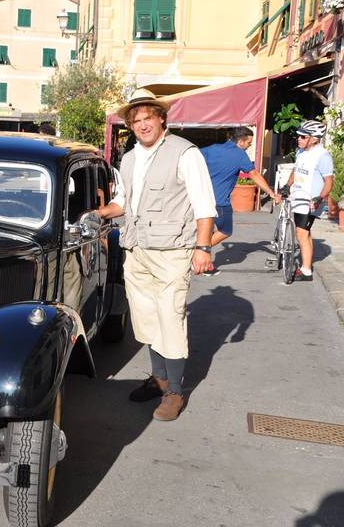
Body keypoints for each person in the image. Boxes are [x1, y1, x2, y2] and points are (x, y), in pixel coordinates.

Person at [95, 88, 217, 422]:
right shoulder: (130, 157)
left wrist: (203, 248)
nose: (143, 125)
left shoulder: (184, 153)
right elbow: (125, 202)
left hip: (173, 252)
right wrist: (99, 212)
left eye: (148, 118)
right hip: (137, 250)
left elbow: (205, 205)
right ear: (130, 125)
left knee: (171, 318)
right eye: (136, 120)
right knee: (147, 318)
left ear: (161, 118)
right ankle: (159, 377)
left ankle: (175, 392)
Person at [199, 126, 280, 275]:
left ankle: (206, 266)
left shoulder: (213, 148)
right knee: (225, 230)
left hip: (201, 200)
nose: (249, 146)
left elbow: (194, 161)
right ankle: (199, 252)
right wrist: (271, 193)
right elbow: (254, 174)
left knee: (207, 230)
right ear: (241, 141)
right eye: (249, 143)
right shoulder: (239, 155)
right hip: (220, 202)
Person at [284, 119, 333, 282]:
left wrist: (320, 197)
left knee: (301, 233)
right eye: (299, 136)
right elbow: (296, 170)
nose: (299, 139)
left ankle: (306, 271)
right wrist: (286, 185)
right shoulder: (300, 152)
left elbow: (329, 182)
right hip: (297, 197)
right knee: (305, 234)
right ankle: (306, 265)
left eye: (303, 137)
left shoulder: (323, 156)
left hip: (311, 201)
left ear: (314, 138)